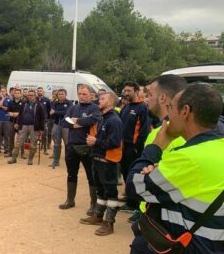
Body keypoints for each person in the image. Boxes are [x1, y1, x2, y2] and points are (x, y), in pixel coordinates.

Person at [127, 83, 224, 253]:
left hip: (191, 246)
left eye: (171, 107)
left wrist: (155, 147)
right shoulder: (217, 147)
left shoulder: (190, 157)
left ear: (185, 111)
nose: (168, 114)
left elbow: (134, 186)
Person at [80, 92, 123, 236]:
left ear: (110, 102)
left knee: (111, 192)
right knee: (100, 190)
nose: (99, 100)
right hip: (97, 159)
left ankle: (109, 223)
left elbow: (115, 142)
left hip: (107, 161)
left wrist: (95, 141)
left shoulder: (114, 120)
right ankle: (98, 216)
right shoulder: (103, 118)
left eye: (103, 98)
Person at [59, 85, 102, 215]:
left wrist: (76, 121)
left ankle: (94, 204)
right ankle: (70, 200)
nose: (81, 96)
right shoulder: (73, 107)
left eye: (84, 94)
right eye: (80, 94)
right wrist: (82, 123)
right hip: (71, 146)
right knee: (71, 173)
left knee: (91, 176)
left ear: (91, 95)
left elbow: (94, 119)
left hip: (87, 147)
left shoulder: (94, 108)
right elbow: (65, 122)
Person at [119, 82, 150, 213]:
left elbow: (144, 130)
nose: (126, 93)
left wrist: (138, 147)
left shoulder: (142, 108)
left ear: (136, 91)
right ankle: (129, 198)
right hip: (122, 146)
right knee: (125, 172)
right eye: (125, 90)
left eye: (129, 91)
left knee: (134, 175)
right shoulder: (126, 107)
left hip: (133, 148)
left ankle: (135, 204)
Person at [8, 90, 46, 165]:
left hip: (34, 127)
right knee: (18, 142)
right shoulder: (24, 104)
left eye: (31, 95)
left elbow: (43, 118)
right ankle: (13, 158)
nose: (30, 96)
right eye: (29, 95)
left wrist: (41, 129)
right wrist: (17, 123)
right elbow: (20, 114)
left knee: (33, 143)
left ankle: (30, 159)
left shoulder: (39, 105)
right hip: (23, 126)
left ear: (35, 96)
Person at [49, 89, 72, 168]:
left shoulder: (69, 103)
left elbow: (67, 113)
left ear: (66, 95)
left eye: (62, 94)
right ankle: (55, 161)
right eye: (59, 94)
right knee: (56, 144)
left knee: (67, 144)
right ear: (57, 95)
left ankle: (69, 162)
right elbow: (51, 114)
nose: (61, 95)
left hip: (66, 126)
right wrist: (56, 112)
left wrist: (56, 112)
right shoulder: (55, 103)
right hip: (56, 124)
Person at [0, 87, 12, 155]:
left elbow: (8, 109)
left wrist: (1, 105)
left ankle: (6, 149)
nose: (2, 92)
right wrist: (2, 99)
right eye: (1, 91)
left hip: (7, 119)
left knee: (6, 135)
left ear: (6, 92)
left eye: (4, 91)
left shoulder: (9, 99)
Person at [7, 88, 23, 157]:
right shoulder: (10, 102)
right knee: (11, 137)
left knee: (21, 138)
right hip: (11, 121)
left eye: (18, 93)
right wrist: (14, 114)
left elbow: (24, 112)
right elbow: (8, 112)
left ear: (20, 94)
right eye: (16, 93)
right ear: (14, 94)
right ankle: (10, 152)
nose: (17, 94)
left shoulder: (24, 102)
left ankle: (22, 153)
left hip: (20, 122)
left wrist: (17, 114)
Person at [37, 87, 52, 154]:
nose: (39, 92)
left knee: (45, 135)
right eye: (38, 91)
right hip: (36, 120)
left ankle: (45, 150)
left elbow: (49, 110)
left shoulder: (47, 100)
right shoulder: (35, 99)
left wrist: (47, 118)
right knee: (35, 135)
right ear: (37, 92)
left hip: (44, 120)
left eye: (41, 91)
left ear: (43, 92)